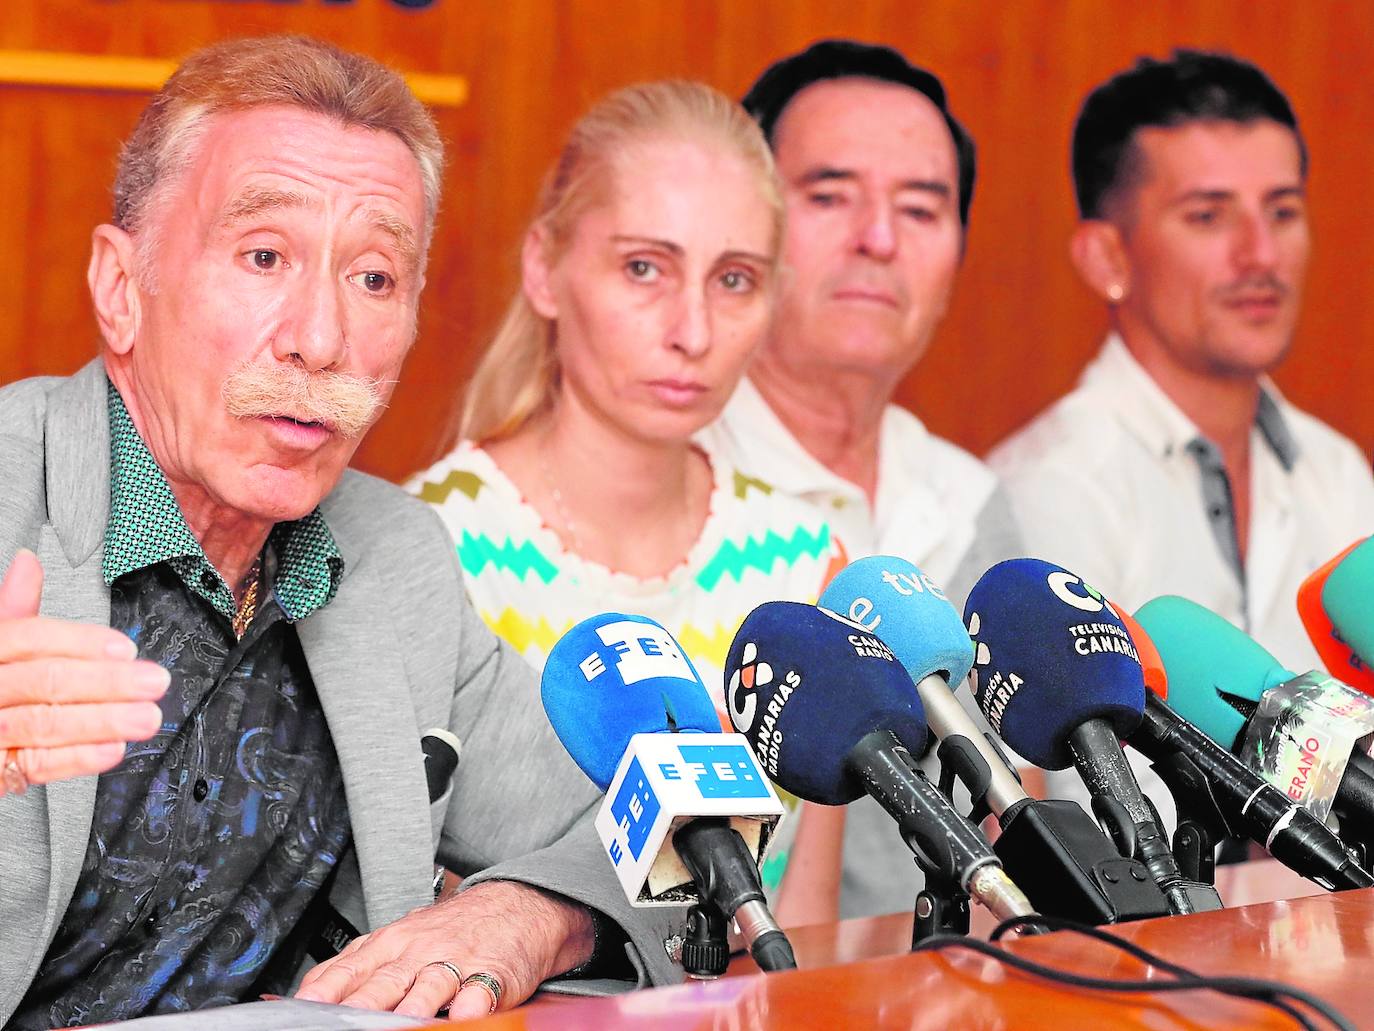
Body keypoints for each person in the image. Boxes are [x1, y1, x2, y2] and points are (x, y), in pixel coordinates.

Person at [0, 36, 683, 1028]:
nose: (320, 340)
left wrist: (527, 916)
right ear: (120, 286)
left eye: (372, 277)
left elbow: (654, 819)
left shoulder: (391, 556)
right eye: (264, 255)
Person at [409, 81, 845, 923]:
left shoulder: (804, 561)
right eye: (645, 267)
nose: (692, 329)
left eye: (735, 279)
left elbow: (806, 930)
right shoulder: (432, 547)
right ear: (544, 267)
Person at [989, 50, 1374, 828]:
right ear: (1107, 257)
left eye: (1283, 211)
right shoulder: (1044, 487)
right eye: (1208, 216)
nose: (1260, 254)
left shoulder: (1337, 466)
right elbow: (1094, 804)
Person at [700, 39, 1025, 920]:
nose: (878, 239)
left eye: (921, 209)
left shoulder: (967, 500)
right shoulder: (672, 490)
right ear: (741, 221)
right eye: (830, 196)